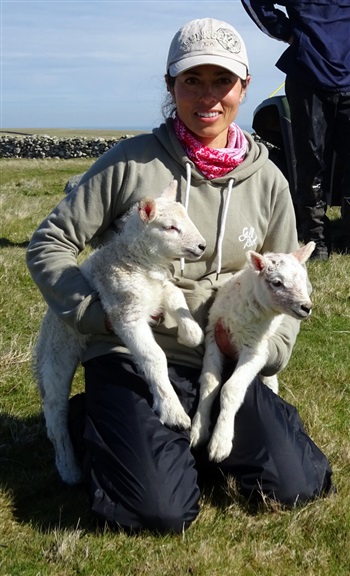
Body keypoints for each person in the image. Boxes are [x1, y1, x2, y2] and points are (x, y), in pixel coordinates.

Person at [26, 17, 333, 533]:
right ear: (171, 86)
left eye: (222, 81)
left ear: (244, 88)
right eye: (192, 80)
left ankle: (172, 435)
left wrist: (267, 352)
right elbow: (49, 243)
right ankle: (97, 418)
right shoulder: (130, 164)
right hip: (133, 351)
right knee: (158, 511)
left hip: (224, 358)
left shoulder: (269, 182)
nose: (208, 96)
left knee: (297, 484)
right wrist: (95, 317)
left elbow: (291, 282)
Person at [241, 0, 350, 260]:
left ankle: (347, 236)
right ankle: (316, 241)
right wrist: (289, 33)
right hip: (308, 77)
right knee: (309, 163)